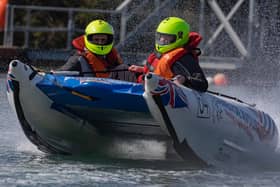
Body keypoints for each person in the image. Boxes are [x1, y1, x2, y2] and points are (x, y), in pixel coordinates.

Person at [129, 17, 208, 92]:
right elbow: (159, 72)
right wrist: (143, 69)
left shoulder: (183, 58)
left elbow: (202, 83)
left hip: (159, 93)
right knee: (123, 69)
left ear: (179, 37)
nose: (162, 40)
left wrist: (184, 79)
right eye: (160, 37)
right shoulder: (163, 53)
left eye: (167, 38)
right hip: (146, 85)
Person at [58, 19, 136, 82]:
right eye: (96, 39)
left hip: (111, 92)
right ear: (88, 39)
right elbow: (58, 75)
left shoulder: (112, 57)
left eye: (103, 40)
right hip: (90, 94)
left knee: (127, 68)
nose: (100, 43)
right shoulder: (78, 59)